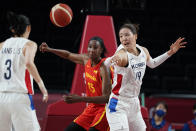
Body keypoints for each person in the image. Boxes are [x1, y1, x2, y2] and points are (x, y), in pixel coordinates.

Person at [104, 23, 187, 131]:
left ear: (135, 36)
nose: (124, 39)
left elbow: (152, 64)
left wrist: (170, 52)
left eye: (126, 35)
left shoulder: (143, 51)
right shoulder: (122, 54)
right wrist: (110, 60)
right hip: (118, 103)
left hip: (134, 102)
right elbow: (106, 63)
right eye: (121, 36)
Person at [39, 36, 111, 131]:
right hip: (91, 109)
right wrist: (49, 49)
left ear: (101, 50)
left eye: (95, 47)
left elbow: (106, 98)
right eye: (90, 47)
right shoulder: (86, 60)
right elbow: (68, 55)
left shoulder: (103, 68)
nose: (91, 50)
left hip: (104, 110)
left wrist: (80, 98)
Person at [0, 12, 48, 131]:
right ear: (28, 28)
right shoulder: (29, 44)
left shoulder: (1, 45)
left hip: (1, 96)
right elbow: (28, 63)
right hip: (20, 97)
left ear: (12, 29)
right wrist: (42, 87)